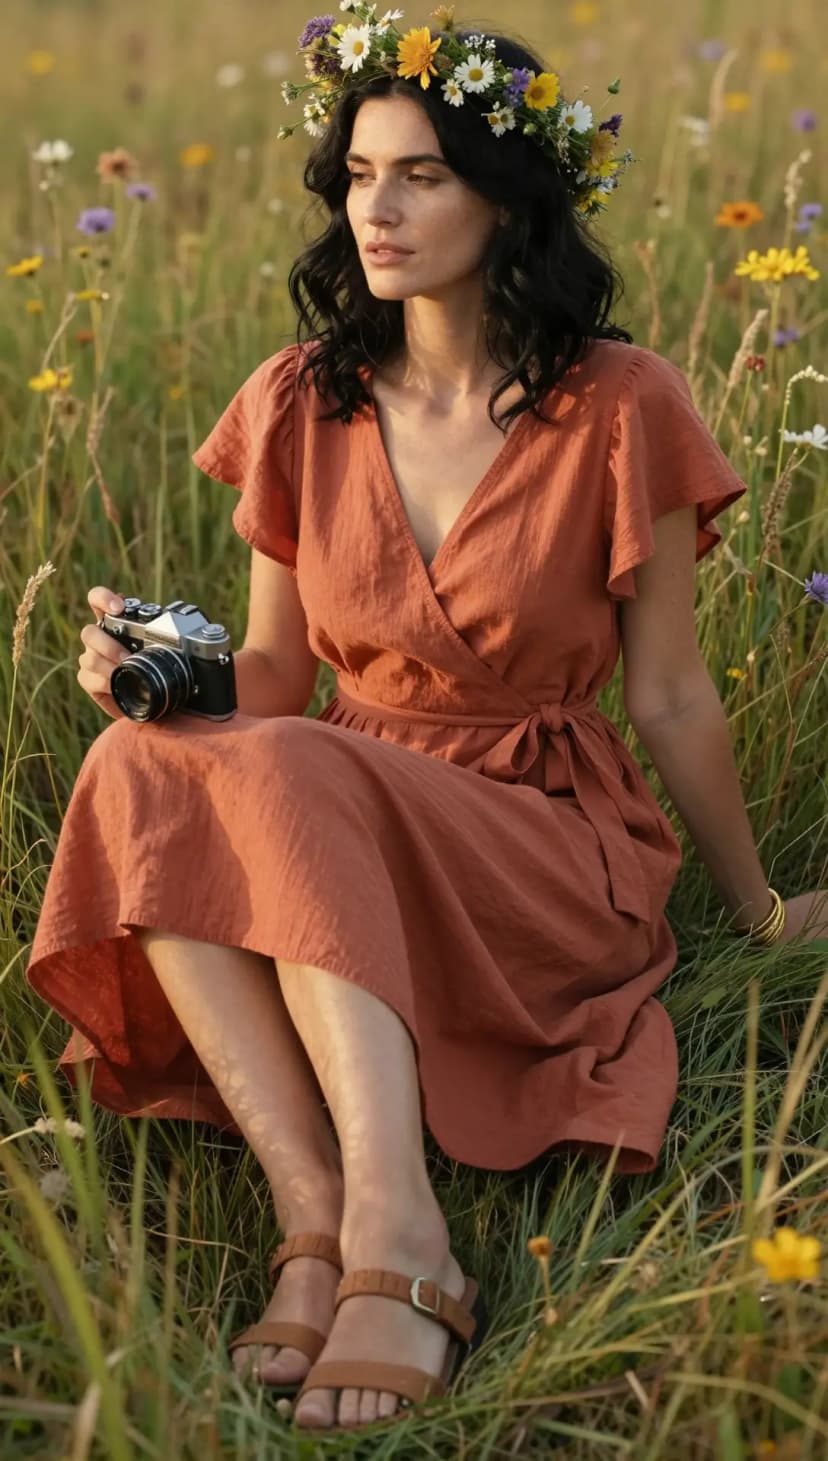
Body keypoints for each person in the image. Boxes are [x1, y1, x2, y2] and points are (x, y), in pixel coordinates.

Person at [24, 11, 828, 1437]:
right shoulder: (297, 397)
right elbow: (272, 682)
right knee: (138, 761)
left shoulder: (623, 403)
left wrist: (757, 906)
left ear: (510, 200)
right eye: (357, 177)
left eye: (423, 177)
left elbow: (670, 693)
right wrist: (152, 676)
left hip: (535, 836)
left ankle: (411, 1235)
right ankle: (319, 1216)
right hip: (330, 791)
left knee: (289, 776)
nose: (377, 211)